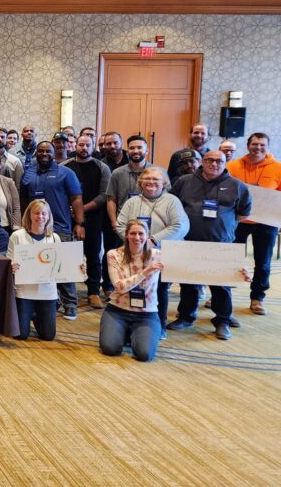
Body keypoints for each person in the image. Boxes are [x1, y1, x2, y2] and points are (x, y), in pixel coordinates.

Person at [167, 150, 252, 340]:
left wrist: (223, 225)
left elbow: (243, 213)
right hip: (189, 242)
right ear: (202, 162)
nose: (214, 164)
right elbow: (172, 205)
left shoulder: (237, 186)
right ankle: (186, 317)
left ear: (225, 163)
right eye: (210, 160)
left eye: (219, 161)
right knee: (188, 282)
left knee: (221, 286)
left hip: (220, 245)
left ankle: (223, 320)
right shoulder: (184, 182)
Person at [115, 167, 188, 334]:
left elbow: (180, 226)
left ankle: (159, 325)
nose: (151, 182)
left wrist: (153, 240)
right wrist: (135, 241)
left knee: (159, 289)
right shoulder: (132, 202)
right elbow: (120, 225)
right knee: (135, 286)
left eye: (156, 180)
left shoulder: (172, 201)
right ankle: (132, 322)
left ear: (164, 183)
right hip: (135, 253)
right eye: (147, 179)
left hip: (161, 254)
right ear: (141, 182)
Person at [19, 140, 85, 319]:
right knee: (39, 266)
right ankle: (50, 301)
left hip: (60, 227)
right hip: (34, 227)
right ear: (36, 153)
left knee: (65, 268)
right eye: (40, 151)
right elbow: (24, 199)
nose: (44, 153)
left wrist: (79, 223)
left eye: (48, 151)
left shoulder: (66, 173)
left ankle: (70, 304)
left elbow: (76, 199)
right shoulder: (29, 173)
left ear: (54, 152)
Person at [227, 132, 281, 315]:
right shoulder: (232, 166)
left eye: (262, 145)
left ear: (267, 147)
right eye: (254, 144)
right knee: (230, 258)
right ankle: (222, 293)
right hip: (238, 220)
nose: (258, 148)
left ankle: (257, 297)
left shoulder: (278, 168)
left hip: (266, 223)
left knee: (263, 262)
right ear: (248, 145)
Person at [100, 220, 164, 362]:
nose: (137, 237)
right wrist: (145, 272)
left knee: (144, 355)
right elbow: (119, 287)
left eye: (141, 234)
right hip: (118, 309)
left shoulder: (158, 255)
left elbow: (184, 268)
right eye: (133, 233)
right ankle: (123, 331)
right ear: (127, 236)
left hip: (146, 313)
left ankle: (131, 333)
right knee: (110, 349)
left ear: (147, 236)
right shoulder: (114, 254)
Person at [64, 133, 112, 309]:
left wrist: (81, 210)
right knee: (69, 255)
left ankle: (93, 292)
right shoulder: (65, 167)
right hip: (68, 219)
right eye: (81, 145)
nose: (84, 148)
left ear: (93, 147)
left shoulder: (102, 167)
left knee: (93, 255)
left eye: (88, 145)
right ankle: (68, 293)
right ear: (75, 146)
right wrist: (75, 215)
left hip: (93, 218)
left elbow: (104, 195)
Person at [105, 135, 154, 299]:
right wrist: (113, 223)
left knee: (145, 263)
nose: (136, 151)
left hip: (147, 230)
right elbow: (111, 199)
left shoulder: (156, 173)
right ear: (128, 151)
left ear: (146, 150)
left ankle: (144, 296)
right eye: (132, 148)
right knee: (123, 263)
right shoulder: (118, 173)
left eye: (140, 147)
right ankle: (120, 294)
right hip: (123, 229)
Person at [8, 200, 59, 341]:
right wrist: (12, 266)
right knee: (21, 335)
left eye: (44, 213)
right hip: (24, 291)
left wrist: (77, 268)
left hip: (48, 292)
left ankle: (37, 316)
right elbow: (9, 260)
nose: (40, 217)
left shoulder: (55, 238)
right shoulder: (17, 236)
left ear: (48, 216)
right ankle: (28, 313)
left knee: (48, 336)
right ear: (29, 215)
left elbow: (61, 266)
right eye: (36, 213)